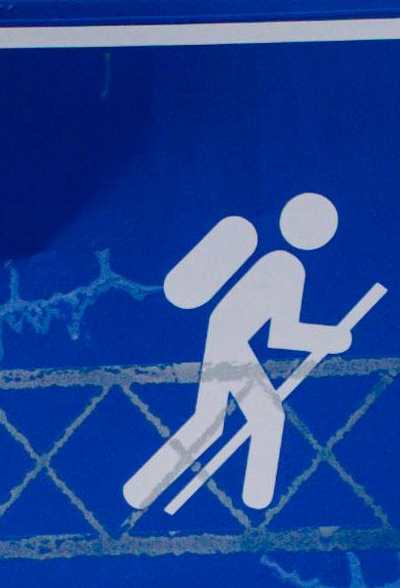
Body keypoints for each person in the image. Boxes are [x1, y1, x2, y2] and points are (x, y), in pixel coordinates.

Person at [121, 191, 366, 520]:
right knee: (262, 417)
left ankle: (147, 488)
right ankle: (256, 507)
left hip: (226, 340)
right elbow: (281, 334)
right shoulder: (287, 266)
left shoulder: (274, 258)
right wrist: (334, 337)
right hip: (231, 346)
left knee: (213, 421)